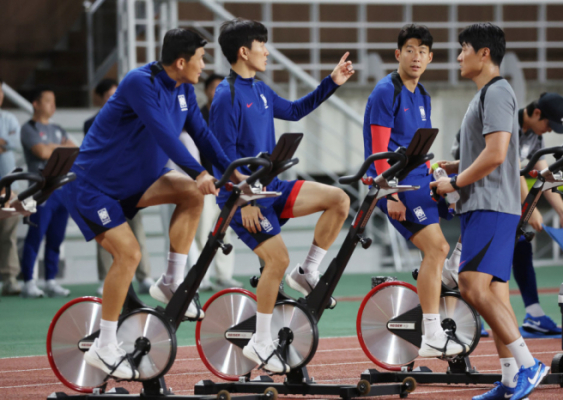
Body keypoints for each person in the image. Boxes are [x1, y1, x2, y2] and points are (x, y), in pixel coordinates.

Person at [61, 28, 243, 380]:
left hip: (138, 184)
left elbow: (202, 136)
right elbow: (163, 132)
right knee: (129, 254)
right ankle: (105, 344)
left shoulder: (184, 89)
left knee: (191, 194)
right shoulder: (138, 83)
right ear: (180, 62)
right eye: (201, 58)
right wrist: (198, 172)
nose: (205, 66)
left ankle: (171, 281)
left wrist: (236, 175)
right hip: (94, 188)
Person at [210, 18, 352, 374]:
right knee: (276, 262)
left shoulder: (259, 89)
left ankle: (309, 271)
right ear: (244, 51)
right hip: (242, 199)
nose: (267, 51)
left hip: (271, 189)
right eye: (262, 45)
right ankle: (260, 340)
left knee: (339, 200)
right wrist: (243, 201)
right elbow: (221, 158)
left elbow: (295, 110)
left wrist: (331, 82)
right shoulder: (225, 97)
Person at [430, 23, 548, 400]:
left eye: (464, 48)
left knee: (471, 286)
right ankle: (512, 378)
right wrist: (457, 166)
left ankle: (528, 364)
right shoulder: (486, 95)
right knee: (495, 294)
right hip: (486, 206)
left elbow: (497, 155)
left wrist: (457, 182)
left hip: (490, 207)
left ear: (484, 54)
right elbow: (492, 152)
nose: (459, 55)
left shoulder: (496, 93)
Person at [362, 25, 465, 358]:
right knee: (437, 249)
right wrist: (389, 194)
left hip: (420, 179)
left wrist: (436, 171)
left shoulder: (423, 95)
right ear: (398, 54)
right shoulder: (385, 91)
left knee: (465, 211)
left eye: (423, 51)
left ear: (431, 58)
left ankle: (440, 291)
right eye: (410, 49)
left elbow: (417, 148)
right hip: (395, 184)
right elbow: (379, 151)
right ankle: (431, 333)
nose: (416, 56)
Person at [445, 92, 563, 336]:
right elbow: (510, 166)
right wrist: (528, 207)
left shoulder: (534, 135)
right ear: (536, 113)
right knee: (475, 259)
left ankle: (531, 313)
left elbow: (542, 173)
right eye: (548, 124)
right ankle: (466, 315)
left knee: (520, 244)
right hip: (480, 194)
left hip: (504, 202)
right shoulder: (505, 121)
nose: (549, 131)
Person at [84, 78, 154, 296]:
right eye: (106, 95)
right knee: (104, 232)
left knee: (137, 230)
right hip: (102, 185)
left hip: (129, 183)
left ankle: (145, 276)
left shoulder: (131, 116)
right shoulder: (91, 123)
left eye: (114, 94)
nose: (111, 98)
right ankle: (105, 277)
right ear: (100, 98)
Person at [19, 86, 77, 298]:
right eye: (47, 101)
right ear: (35, 103)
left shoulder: (59, 128)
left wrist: (52, 147)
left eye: (54, 101)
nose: (52, 105)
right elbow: (40, 151)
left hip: (61, 191)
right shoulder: (29, 128)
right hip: (39, 191)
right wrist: (57, 147)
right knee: (35, 235)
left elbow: (73, 150)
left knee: (56, 237)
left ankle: (50, 280)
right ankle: (28, 281)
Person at [198, 73, 241, 291]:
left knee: (226, 230)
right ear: (206, 91)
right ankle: (201, 277)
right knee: (203, 231)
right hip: (207, 182)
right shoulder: (198, 116)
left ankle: (224, 276)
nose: (218, 93)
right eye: (215, 88)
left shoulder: (230, 113)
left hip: (227, 184)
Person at [0, 78, 23, 296]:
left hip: (8, 187)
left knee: (9, 233)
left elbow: (15, 142)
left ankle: (9, 278)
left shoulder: (8, 118)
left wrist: (4, 143)